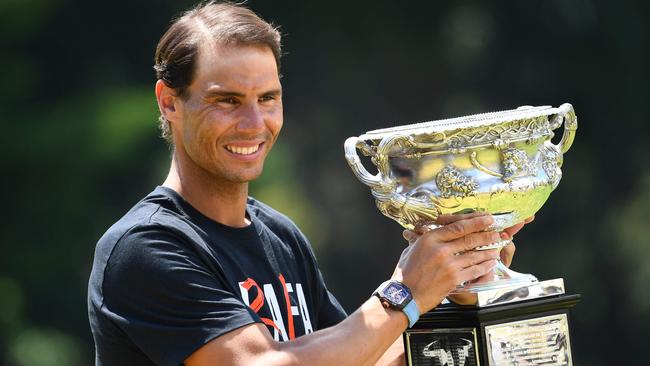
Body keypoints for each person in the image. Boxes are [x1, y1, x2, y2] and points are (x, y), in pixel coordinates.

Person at [87, 2, 528, 365]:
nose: (254, 124)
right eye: (228, 101)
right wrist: (404, 292)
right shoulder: (145, 247)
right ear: (170, 102)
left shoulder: (280, 236)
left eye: (268, 98)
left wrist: (451, 285)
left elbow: (362, 359)